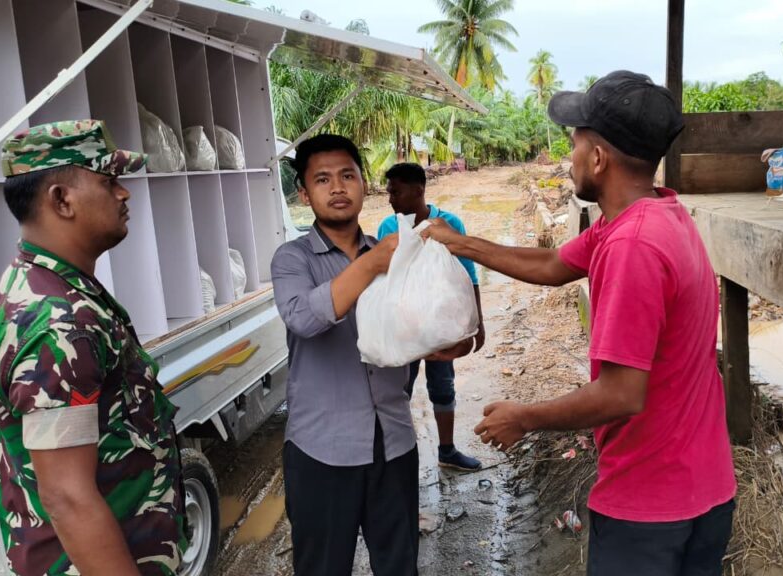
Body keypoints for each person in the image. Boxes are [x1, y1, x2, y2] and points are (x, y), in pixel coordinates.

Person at [423, 71, 737, 575]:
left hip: (650, 508)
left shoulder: (632, 246)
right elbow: (552, 267)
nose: (568, 158)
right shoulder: (653, 215)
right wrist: (461, 243)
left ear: (597, 158)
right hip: (704, 488)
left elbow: (621, 394)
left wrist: (524, 418)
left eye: (573, 143)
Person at [0, 120, 184, 576]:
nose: (123, 193)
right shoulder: (57, 321)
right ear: (61, 199)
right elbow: (66, 496)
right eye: (109, 181)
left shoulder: (48, 284)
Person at [270, 134, 472, 575]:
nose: (337, 187)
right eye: (322, 179)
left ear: (364, 185)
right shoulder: (292, 260)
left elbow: (421, 323)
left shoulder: (397, 254)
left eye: (347, 175)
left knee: (400, 565)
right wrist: (373, 263)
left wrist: (451, 339)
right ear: (304, 193)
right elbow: (305, 319)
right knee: (323, 567)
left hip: (394, 441)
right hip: (321, 450)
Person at [377, 162, 484, 472]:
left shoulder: (449, 224)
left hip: (441, 327)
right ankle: (395, 457)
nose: (390, 198)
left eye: (395, 191)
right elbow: (382, 280)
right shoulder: (387, 228)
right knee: (399, 391)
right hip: (404, 327)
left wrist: (477, 323)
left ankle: (447, 451)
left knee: (442, 385)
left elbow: (468, 274)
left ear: (418, 190)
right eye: (389, 192)